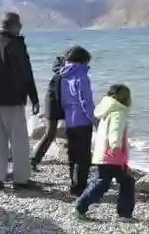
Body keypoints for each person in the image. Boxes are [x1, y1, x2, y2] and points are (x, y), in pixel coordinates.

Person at [0, 12, 40, 190]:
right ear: (14, 26)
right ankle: (21, 180)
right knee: (19, 142)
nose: (21, 28)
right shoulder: (16, 44)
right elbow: (26, 72)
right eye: (19, 25)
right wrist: (34, 97)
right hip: (13, 100)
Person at [74, 84, 135, 222]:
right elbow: (115, 130)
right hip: (112, 156)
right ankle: (81, 206)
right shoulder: (118, 112)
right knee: (108, 183)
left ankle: (124, 213)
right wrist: (115, 145)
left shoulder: (107, 109)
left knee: (114, 182)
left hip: (104, 154)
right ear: (125, 98)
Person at [59, 46, 95, 196]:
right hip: (82, 121)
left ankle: (73, 185)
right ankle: (80, 188)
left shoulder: (63, 76)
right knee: (83, 156)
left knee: (73, 154)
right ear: (83, 61)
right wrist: (95, 120)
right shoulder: (82, 77)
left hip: (69, 120)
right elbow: (85, 102)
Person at [30, 54, 66, 171]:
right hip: (54, 106)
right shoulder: (61, 76)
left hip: (55, 105)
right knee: (50, 134)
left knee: (52, 134)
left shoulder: (62, 75)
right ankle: (32, 161)